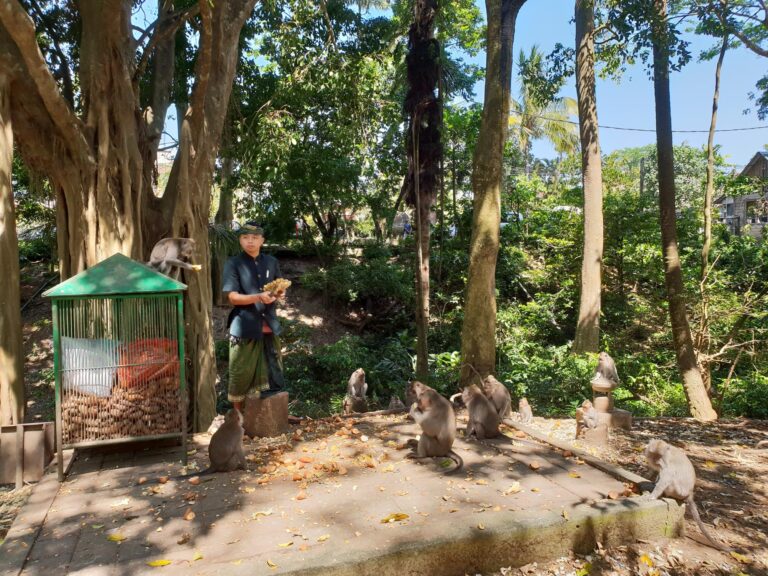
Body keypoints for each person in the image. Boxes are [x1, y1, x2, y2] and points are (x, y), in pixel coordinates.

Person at [222, 222, 285, 414]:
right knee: (241, 374)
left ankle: (273, 415)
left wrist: (279, 295)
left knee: (274, 372)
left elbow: (278, 289)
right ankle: (238, 419)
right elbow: (232, 297)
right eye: (245, 237)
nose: (250, 241)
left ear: (262, 240)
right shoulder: (233, 263)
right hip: (244, 326)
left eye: (255, 238)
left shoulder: (272, 262)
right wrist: (258, 297)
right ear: (240, 240)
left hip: (269, 324)